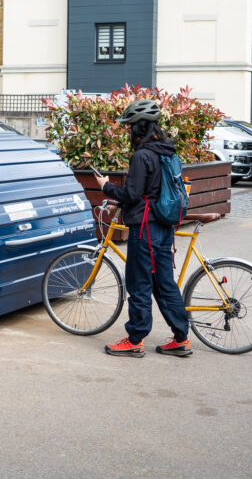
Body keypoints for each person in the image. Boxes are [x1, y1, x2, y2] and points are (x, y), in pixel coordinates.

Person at [93, 99, 192, 358]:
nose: (129, 132)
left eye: (130, 128)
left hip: (145, 229)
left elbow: (133, 194)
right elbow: (152, 192)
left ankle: (135, 339)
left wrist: (106, 186)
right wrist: (121, 200)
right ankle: (181, 338)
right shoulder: (168, 152)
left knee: (139, 285)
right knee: (164, 284)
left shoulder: (141, 156)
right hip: (164, 226)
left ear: (139, 128)